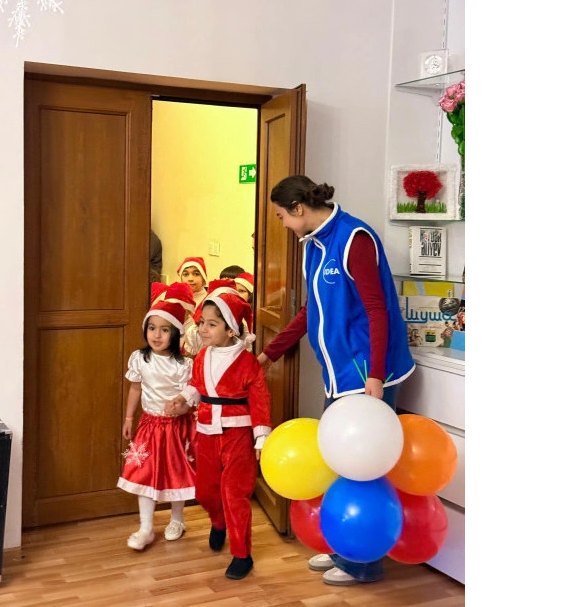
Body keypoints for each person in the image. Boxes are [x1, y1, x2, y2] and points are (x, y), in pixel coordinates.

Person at [257, 175, 415, 587]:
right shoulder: (314, 245)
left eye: (282, 216)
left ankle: (362, 562)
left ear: (298, 208)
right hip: (340, 373)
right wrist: (270, 353)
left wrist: (376, 377)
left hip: (367, 373)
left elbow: (378, 310)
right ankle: (345, 547)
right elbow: (311, 310)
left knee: (363, 466)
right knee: (341, 462)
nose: (283, 224)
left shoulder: (354, 239)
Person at [166, 292, 272, 580]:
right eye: (202, 322)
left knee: (234, 493)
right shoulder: (203, 356)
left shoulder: (248, 363)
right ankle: (219, 521)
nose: (202, 329)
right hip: (206, 432)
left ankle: (242, 554)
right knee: (205, 491)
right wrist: (183, 398)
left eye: (211, 324)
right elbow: (197, 385)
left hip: (237, 434)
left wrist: (261, 437)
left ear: (230, 329)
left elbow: (260, 401)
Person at [116, 282, 197, 551]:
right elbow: (135, 388)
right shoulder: (140, 358)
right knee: (144, 473)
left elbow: (192, 395)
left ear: (175, 333)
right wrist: (129, 418)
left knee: (177, 472)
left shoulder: (184, 364)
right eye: (152, 328)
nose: (157, 335)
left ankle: (177, 519)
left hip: (176, 428)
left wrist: (182, 407)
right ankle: (146, 527)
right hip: (149, 426)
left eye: (164, 329)